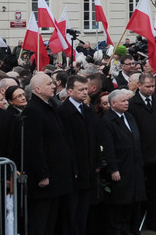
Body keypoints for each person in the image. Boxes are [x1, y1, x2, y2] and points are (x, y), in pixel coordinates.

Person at [23, 73, 74, 235]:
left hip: (56, 174)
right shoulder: (33, 110)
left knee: (51, 220)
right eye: (48, 84)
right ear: (37, 89)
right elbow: (34, 146)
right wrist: (42, 174)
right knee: (40, 220)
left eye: (53, 83)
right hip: (45, 177)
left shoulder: (50, 105)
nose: (53, 86)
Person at [56, 75, 99, 235]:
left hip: (87, 168)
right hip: (73, 171)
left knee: (83, 209)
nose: (84, 93)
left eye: (86, 89)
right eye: (80, 90)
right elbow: (66, 143)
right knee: (71, 211)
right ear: (69, 91)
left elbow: (94, 138)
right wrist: (72, 167)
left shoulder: (87, 110)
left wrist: (96, 162)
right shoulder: (64, 111)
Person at [100, 89, 145, 235]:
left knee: (134, 200)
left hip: (134, 165)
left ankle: (133, 228)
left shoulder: (129, 117)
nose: (127, 103)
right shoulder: (107, 121)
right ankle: (119, 229)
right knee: (121, 201)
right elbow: (108, 147)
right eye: (123, 101)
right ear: (113, 103)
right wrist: (113, 169)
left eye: (127, 100)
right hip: (121, 166)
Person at [127, 74, 156, 232]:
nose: (151, 89)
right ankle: (136, 222)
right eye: (148, 87)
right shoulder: (132, 104)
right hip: (140, 155)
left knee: (155, 189)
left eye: (153, 87)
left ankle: (154, 220)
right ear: (139, 86)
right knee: (139, 191)